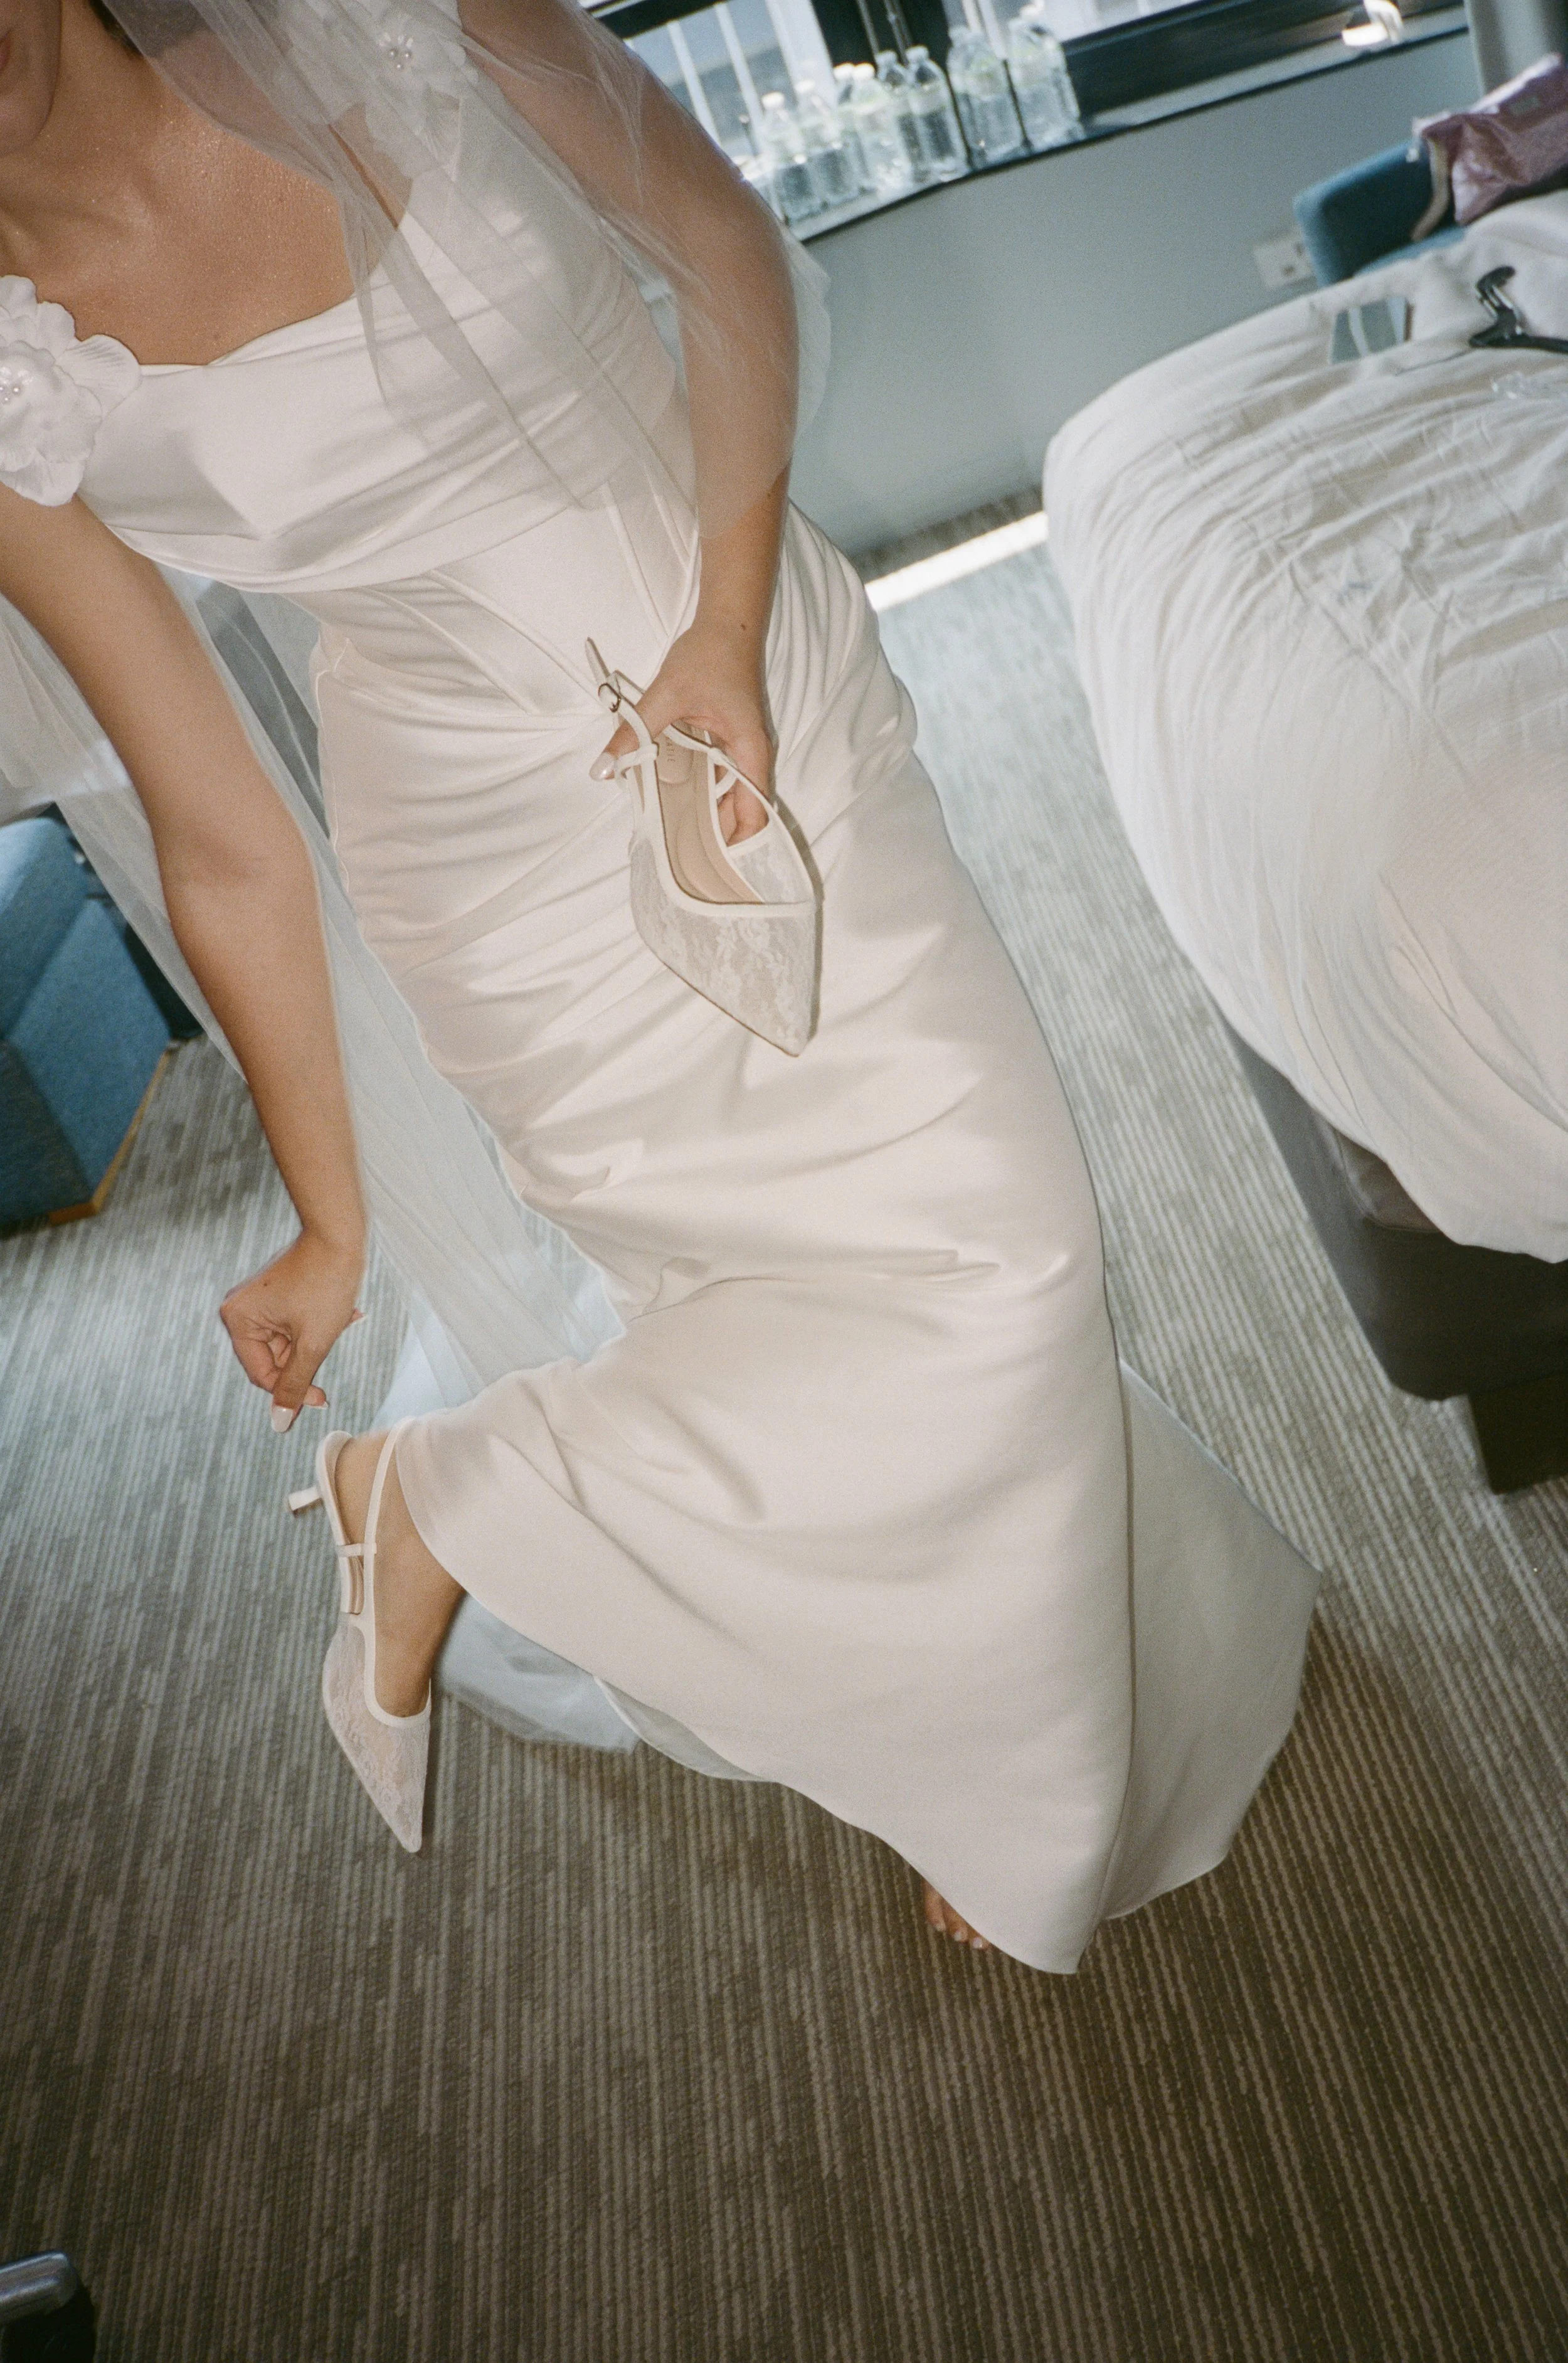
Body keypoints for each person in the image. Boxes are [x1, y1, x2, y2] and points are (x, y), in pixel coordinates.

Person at [0, 0, 1318, 1970]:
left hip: (757, 697)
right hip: (492, 864)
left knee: (983, 1252)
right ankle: (941, 1715)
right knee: (787, 1293)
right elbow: (218, 827)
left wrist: (720, 625)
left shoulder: (404, 19)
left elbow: (723, 257)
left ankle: (918, 1678)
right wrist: (332, 1214)